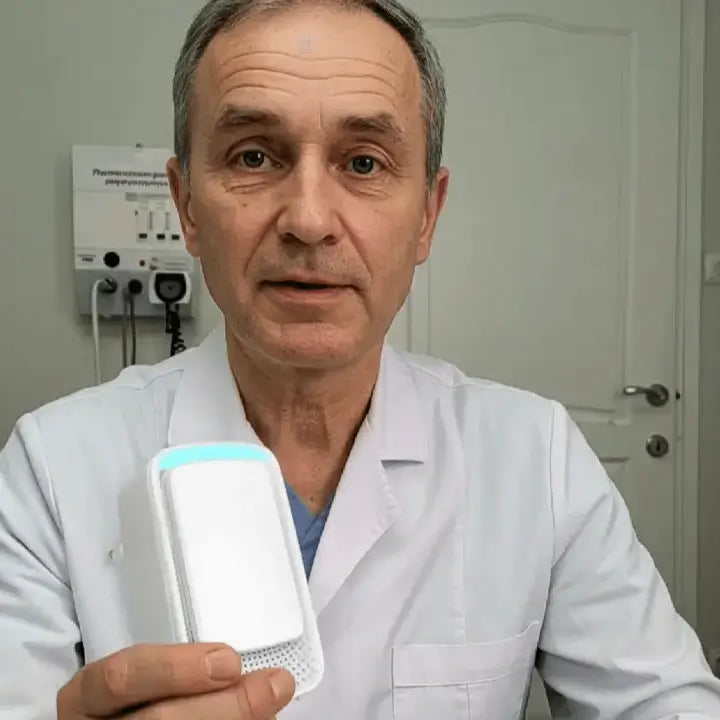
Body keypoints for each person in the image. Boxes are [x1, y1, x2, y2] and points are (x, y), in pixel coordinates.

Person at [1, 0, 719, 718]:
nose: (309, 220)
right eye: (254, 156)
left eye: (364, 162)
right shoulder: (54, 466)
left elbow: (664, 701)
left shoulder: (535, 457)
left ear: (427, 215)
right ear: (186, 205)